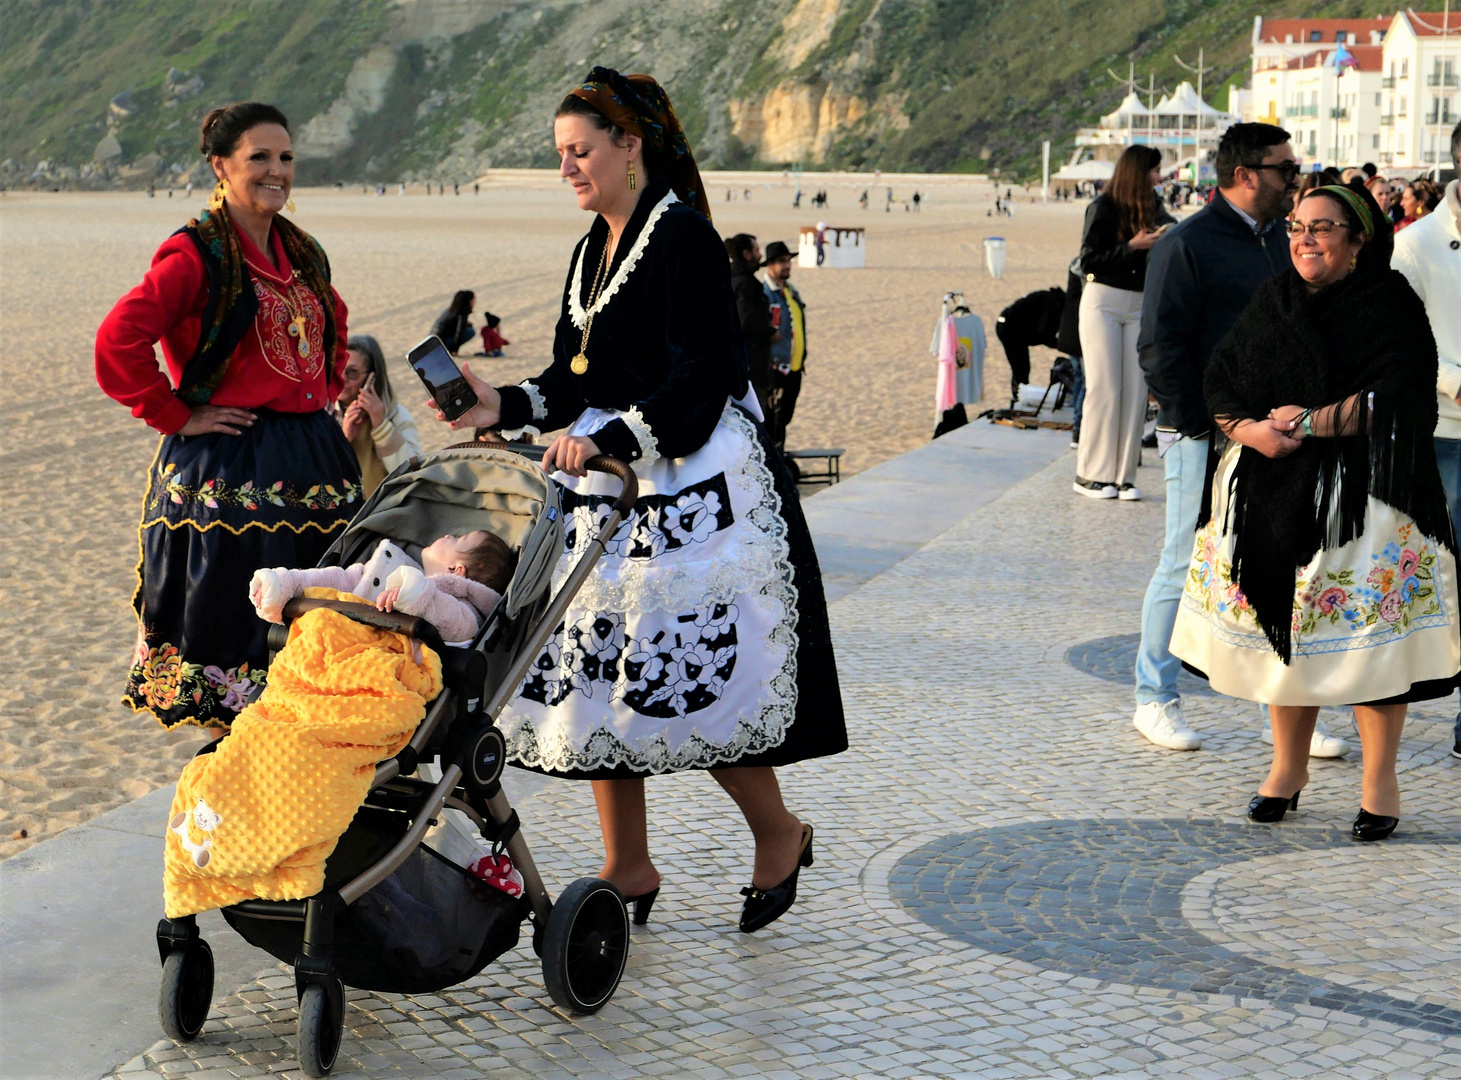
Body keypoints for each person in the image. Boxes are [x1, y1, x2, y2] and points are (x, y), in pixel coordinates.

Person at [430, 66, 846, 933]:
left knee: (681, 676)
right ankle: (629, 862)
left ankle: (776, 832)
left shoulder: (683, 237)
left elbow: (703, 374)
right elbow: (578, 374)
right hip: (611, 488)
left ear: (631, 146)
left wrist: (611, 438)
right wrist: (497, 403)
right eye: (559, 156)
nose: (568, 169)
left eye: (581, 152)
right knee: (594, 671)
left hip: (689, 486)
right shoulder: (592, 248)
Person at [1170, 184, 1460, 840]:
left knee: (1372, 649)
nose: (1303, 238)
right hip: (1271, 492)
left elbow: (1401, 396)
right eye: (1297, 226)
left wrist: (1310, 419)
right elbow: (1220, 376)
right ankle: (1286, 769)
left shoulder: (1388, 303)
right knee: (1287, 633)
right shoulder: (1273, 298)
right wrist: (1247, 431)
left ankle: (1378, 781)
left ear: (1356, 241)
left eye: (1322, 228)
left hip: (1367, 502)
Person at [94, 101, 359, 734]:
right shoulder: (196, 255)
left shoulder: (302, 250)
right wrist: (174, 414)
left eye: (286, 157)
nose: (277, 171)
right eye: (259, 158)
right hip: (232, 470)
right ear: (221, 165)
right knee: (238, 653)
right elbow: (117, 341)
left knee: (318, 643)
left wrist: (318, 386)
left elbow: (335, 321)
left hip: (313, 460)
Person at [1131, 123, 1300, 752]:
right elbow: (1159, 344)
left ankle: (1282, 713)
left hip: (1274, 431)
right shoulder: (1188, 244)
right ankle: (1154, 696)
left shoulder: (1280, 242)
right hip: (1203, 432)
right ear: (1246, 174)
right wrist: (1204, 423)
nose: (1295, 179)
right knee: (1183, 561)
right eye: (1285, 169)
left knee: (1280, 562)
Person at [1391, 118, 1461, 760]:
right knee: (1437, 577)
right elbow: (1398, 337)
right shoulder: (1416, 245)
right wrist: (1455, 382)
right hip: (1447, 433)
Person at [1073, 144, 1174, 501]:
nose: (1159, 177)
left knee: (1134, 391)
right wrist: (1132, 246)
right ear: (1138, 172)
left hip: (1139, 303)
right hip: (1103, 301)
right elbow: (1088, 261)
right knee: (1105, 387)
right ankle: (1091, 475)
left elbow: (1174, 234)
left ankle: (1123, 476)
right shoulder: (1102, 207)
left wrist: (1165, 236)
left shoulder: (1154, 207)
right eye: (1154, 170)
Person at [249, 529, 513, 644]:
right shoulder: (393, 567)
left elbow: (452, 621)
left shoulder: (464, 610)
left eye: (457, 539)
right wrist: (287, 585)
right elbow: (341, 580)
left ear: (457, 571)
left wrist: (416, 594)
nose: (447, 535)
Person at [335, 334, 422, 498]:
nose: (342, 378)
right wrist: (344, 438)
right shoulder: (325, 415)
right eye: (337, 368)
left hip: (386, 515)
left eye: (352, 372)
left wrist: (381, 426)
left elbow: (413, 475)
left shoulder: (395, 414)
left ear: (371, 377)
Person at [762, 240, 807, 451]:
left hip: (794, 367)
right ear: (770, 264)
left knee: (785, 417)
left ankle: (779, 458)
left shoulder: (790, 290)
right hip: (775, 367)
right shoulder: (764, 293)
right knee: (774, 420)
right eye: (782, 261)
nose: (787, 265)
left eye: (789, 261)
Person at [726, 232, 775, 416]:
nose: (760, 255)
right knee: (754, 418)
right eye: (756, 250)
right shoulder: (746, 284)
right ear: (746, 254)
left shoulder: (728, 277)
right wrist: (771, 332)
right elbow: (746, 322)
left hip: (739, 364)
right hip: (751, 364)